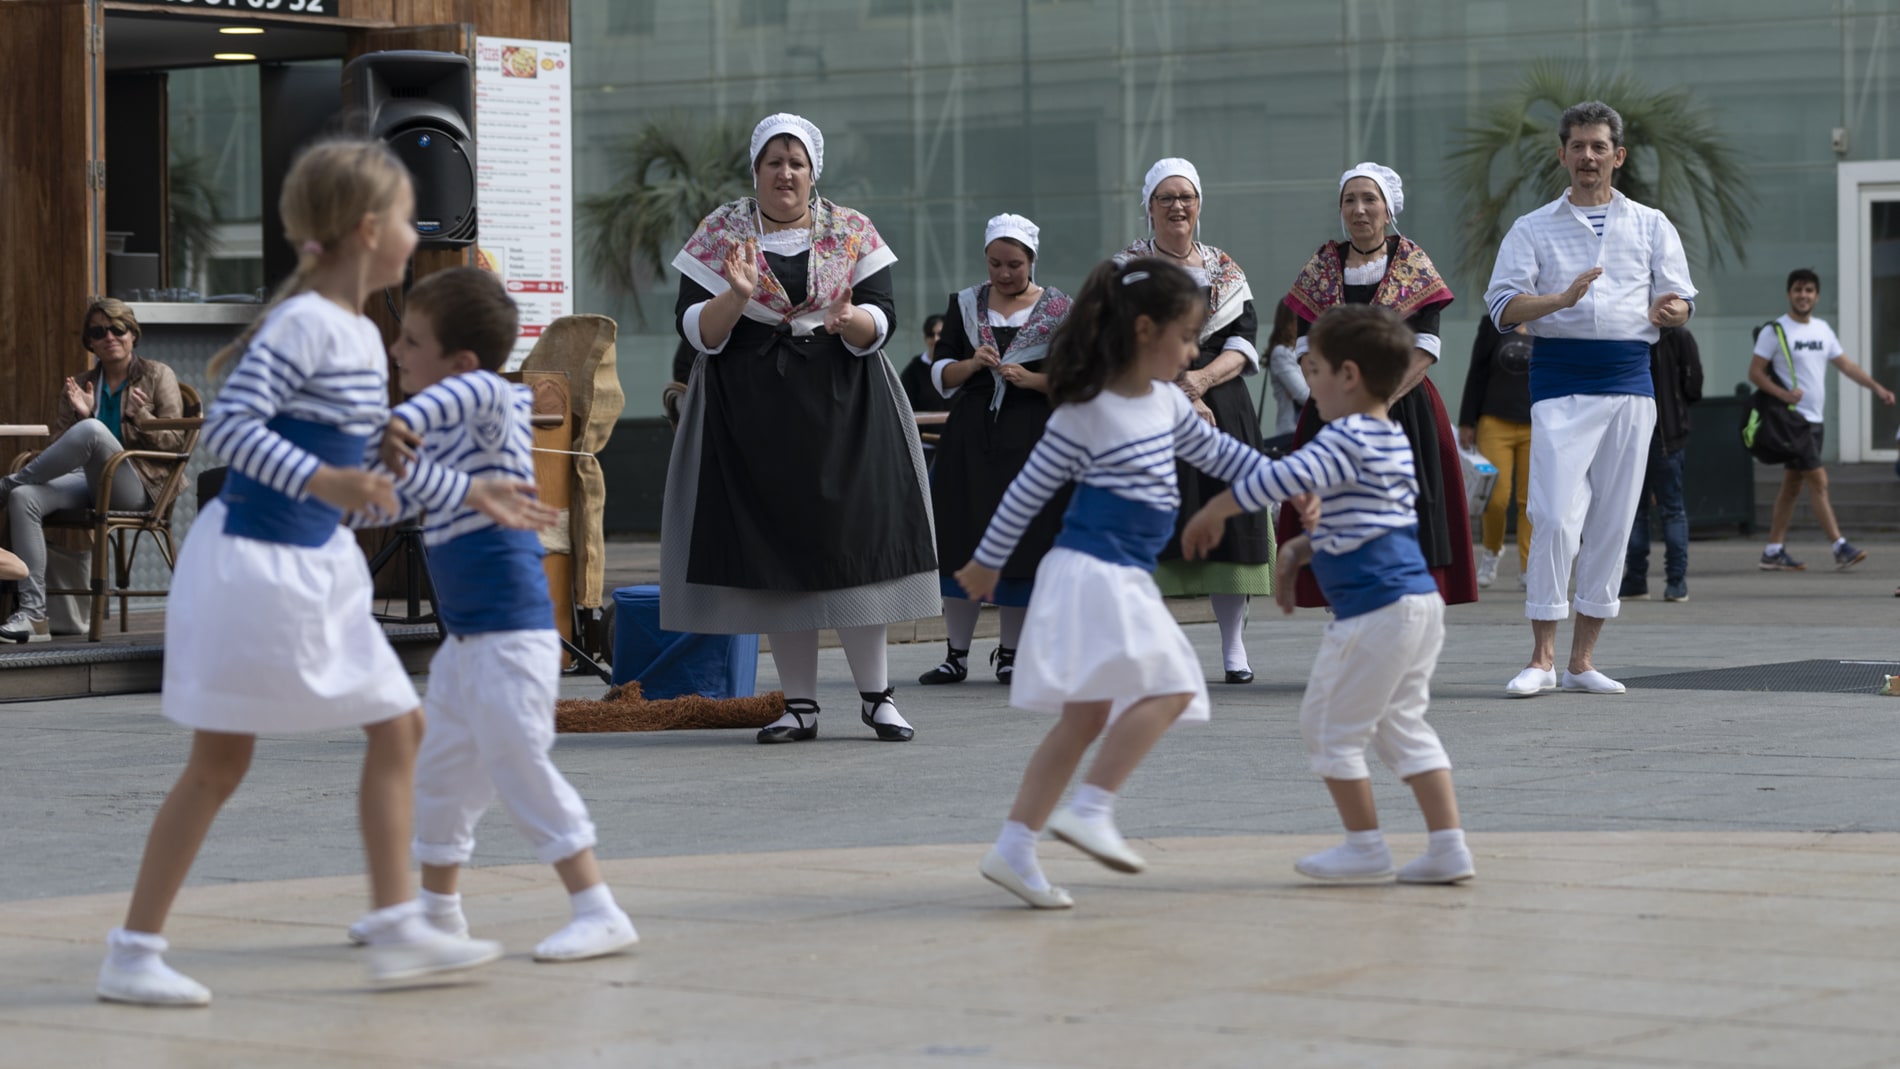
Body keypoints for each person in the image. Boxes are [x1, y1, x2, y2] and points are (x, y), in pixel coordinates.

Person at [97, 140, 515, 1006]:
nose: (415, 231)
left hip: (309, 564)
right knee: (221, 764)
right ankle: (134, 951)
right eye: (406, 216)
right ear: (369, 230)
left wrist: (459, 488)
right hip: (258, 566)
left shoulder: (359, 335)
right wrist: (330, 475)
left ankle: (397, 925)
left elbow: (363, 499)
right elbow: (232, 430)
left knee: (395, 729)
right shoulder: (308, 326)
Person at [339, 267, 638, 963]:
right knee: (442, 774)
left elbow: (424, 424)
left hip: (511, 640)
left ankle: (598, 906)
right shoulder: (448, 427)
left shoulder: (491, 396)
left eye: (412, 340)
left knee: (518, 763)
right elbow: (393, 489)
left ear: (461, 360)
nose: (396, 351)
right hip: (469, 645)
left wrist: (395, 425)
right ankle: (439, 911)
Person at [955, 258, 1271, 909]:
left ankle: (1013, 847)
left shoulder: (1167, 404)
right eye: (1187, 338)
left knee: (1084, 718)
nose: (1192, 353)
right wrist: (985, 564)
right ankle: (1092, 808)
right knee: (1176, 686)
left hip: (1114, 577)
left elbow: (1228, 458)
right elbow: (1026, 492)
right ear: (1145, 329)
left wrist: (1300, 478)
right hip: (1096, 573)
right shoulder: (1085, 410)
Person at [664, 113, 937, 744]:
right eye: (773, 161)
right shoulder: (723, 234)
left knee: (855, 544)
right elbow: (699, 330)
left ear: (814, 172)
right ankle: (800, 706)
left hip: (846, 401)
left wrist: (853, 321)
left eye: (796, 162)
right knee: (777, 551)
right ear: (755, 170)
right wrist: (735, 294)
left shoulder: (850, 230)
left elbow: (884, 314)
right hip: (752, 408)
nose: (784, 172)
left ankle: (878, 697)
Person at [1185, 303, 1472, 885]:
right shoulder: (1388, 438)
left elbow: (1274, 479)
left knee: (1327, 726)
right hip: (1414, 608)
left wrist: (1214, 508)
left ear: (1348, 375)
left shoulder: (1344, 437)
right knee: (1403, 727)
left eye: (1311, 370)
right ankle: (1448, 848)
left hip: (1375, 614)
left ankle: (1365, 848)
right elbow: (1370, 522)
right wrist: (1295, 552)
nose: (1305, 384)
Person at [1483, 100, 1697, 698]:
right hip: (1559, 385)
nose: (1587, 156)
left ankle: (1581, 662)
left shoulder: (1652, 224)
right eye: (1577, 146)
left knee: (1613, 521)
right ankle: (1541, 658)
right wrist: (1559, 299)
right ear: (1562, 155)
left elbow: (1681, 299)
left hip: (1631, 384)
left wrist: (1672, 310)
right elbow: (1501, 306)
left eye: (1599, 146)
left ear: (1617, 156)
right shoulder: (1532, 227)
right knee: (1551, 514)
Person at [1277, 162, 1476, 611]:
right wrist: (1334, 398)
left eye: (1370, 200)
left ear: (1388, 209)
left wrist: (1375, 402)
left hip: (1401, 406)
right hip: (1331, 409)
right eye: (1350, 200)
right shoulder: (1322, 267)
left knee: (1408, 510)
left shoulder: (1413, 265)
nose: (1360, 209)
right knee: (1331, 507)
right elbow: (1306, 347)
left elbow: (1424, 350)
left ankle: (1403, 608)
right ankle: (1344, 613)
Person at [1118, 157, 1270, 685]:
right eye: (1166, 198)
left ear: (1199, 204)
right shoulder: (1129, 268)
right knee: (1155, 520)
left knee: (1228, 521)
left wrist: (1200, 383)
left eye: (1186, 196)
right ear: (1149, 208)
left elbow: (1244, 340)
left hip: (1221, 406)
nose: (1177, 206)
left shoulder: (1225, 269)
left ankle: (1233, 648)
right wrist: (1177, 390)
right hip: (1149, 404)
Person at [919, 214, 1071, 687]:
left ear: (1032, 261)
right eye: (995, 264)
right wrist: (971, 364)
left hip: (1032, 434)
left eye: (1014, 265)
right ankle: (955, 653)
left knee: (1024, 540)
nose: (1004, 274)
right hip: (973, 432)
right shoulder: (965, 305)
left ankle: (1011, 653)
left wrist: (1033, 380)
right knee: (964, 534)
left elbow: (1078, 378)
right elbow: (940, 375)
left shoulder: (1060, 310)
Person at [0, 298, 187, 642]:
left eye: (118, 329)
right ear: (90, 341)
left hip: (139, 486)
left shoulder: (158, 375)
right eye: (99, 331)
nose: (109, 337)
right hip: (86, 481)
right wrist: (82, 416)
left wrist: (140, 418)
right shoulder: (82, 383)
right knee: (25, 497)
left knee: (90, 430)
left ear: (133, 334)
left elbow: (176, 442)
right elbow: (59, 449)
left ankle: (6, 484)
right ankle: (34, 615)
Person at [1751, 268, 1895, 572]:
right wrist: (1783, 394)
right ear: (1789, 294)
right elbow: (1755, 373)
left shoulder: (1823, 330)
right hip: (1793, 421)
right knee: (1819, 480)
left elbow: (1847, 365)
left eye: (1809, 290)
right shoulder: (1775, 330)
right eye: (1798, 290)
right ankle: (1840, 546)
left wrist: (1877, 388)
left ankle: (1773, 550)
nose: (1803, 295)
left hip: (1815, 421)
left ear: (1816, 296)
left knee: (1791, 486)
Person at [1621, 326, 1703, 601]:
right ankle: (1676, 582)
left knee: (1635, 510)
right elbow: (1694, 387)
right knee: (1672, 510)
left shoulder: (1630, 331)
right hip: (1668, 433)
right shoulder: (1679, 335)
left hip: (1636, 431)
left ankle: (1635, 578)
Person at [1458, 315, 1534, 589]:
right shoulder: (1494, 322)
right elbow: (1477, 370)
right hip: (1494, 421)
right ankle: (1491, 551)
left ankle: (1529, 567)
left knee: (1530, 502)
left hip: (1537, 423)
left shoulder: (1551, 318)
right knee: (1496, 498)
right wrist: (1468, 421)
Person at [1263, 300, 1307, 442]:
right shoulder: (1282, 353)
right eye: (1300, 318)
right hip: (1292, 432)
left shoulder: (1305, 350)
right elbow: (1303, 395)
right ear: (1287, 322)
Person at [899, 314, 949, 417]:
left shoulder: (959, 365)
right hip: (924, 431)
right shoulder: (912, 372)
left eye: (940, 334)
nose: (936, 339)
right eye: (931, 335)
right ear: (925, 338)